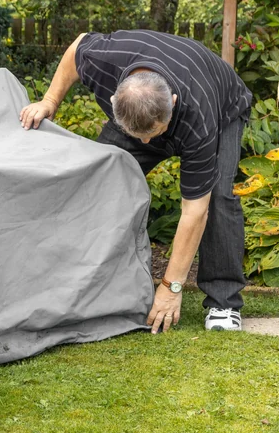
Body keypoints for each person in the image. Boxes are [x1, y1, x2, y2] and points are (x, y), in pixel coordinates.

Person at [19, 30, 252, 335]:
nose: (145, 142)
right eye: (140, 136)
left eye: (152, 135)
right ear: (114, 100)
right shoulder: (103, 59)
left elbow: (195, 212)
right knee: (103, 184)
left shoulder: (199, 115)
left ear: (172, 101)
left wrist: (171, 288)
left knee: (218, 198)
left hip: (223, 108)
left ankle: (224, 302)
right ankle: (95, 287)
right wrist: (50, 100)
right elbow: (77, 46)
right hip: (144, 110)